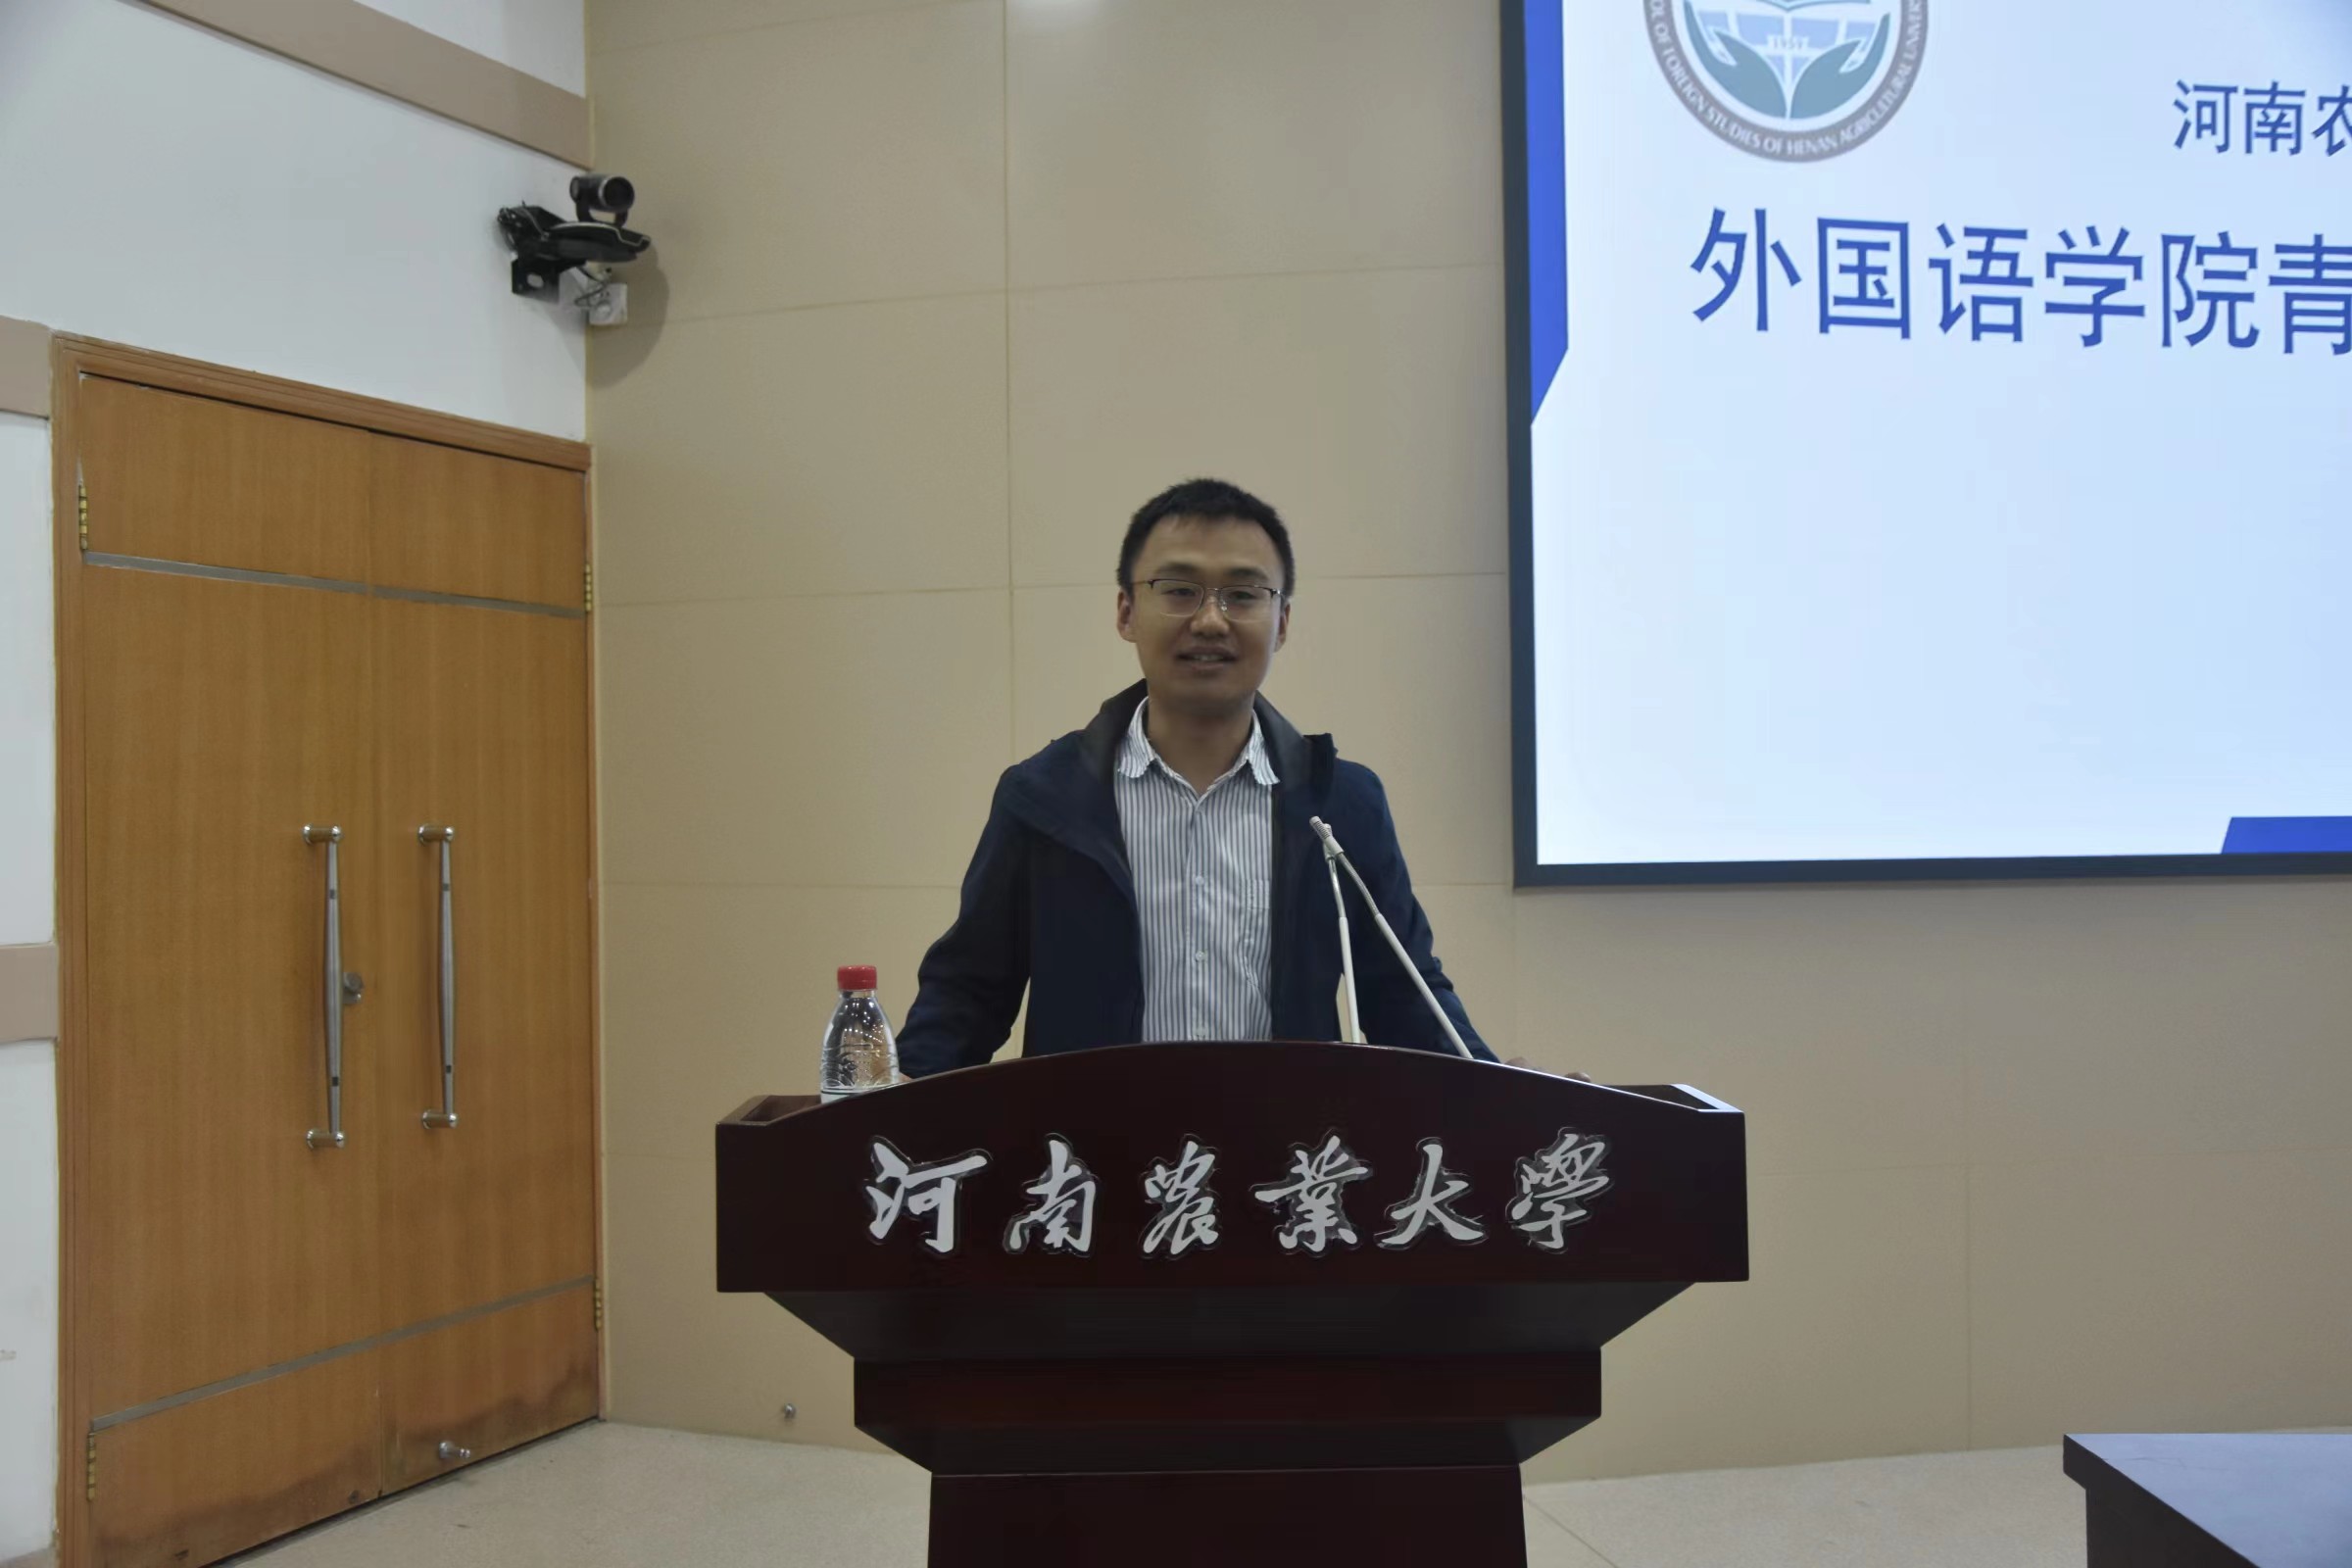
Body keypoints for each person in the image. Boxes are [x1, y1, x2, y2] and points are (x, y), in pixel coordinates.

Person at [896, 477, 1494, 1076]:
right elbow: (967, 996)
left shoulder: (1341, 802)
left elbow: (1408, 998)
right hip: (1093, 1135)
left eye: (1243, 594)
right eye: (1179, 590)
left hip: (1284, 1137)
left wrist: (1508, 1098)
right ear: (1126, 612)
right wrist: (885, 1111)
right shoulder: (1044, 798)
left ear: (1282, 621)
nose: (1210, 621)